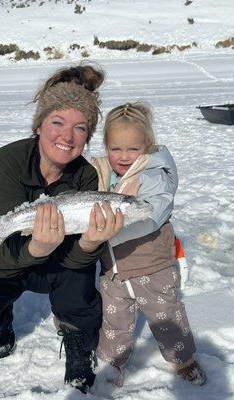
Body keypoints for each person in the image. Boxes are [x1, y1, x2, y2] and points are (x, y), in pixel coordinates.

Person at [0, 64, 124, 394]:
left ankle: (76, 337)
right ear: (38, 125)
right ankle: (0, 317)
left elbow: (77, 261)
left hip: (57, 264)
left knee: (80, 280)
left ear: (87, 137)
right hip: (4, 257)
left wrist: (91, 243)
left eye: (80, 129)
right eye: (57, 122)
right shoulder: (5, 163)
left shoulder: (85, 177)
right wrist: (36, 247)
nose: (67, 137)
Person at [91, 101, 206, 387]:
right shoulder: (102, 174)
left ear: (147, 145)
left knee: (167, 317)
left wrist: (107, 232)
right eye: (116, 149)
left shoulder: (153, 176)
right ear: (106, 146)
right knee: (115, 323)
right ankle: (111, 363)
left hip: (153, 267)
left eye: (133, 149)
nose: (124, 156)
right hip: (114, 271)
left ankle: (184, 360)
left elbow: (151, 216)